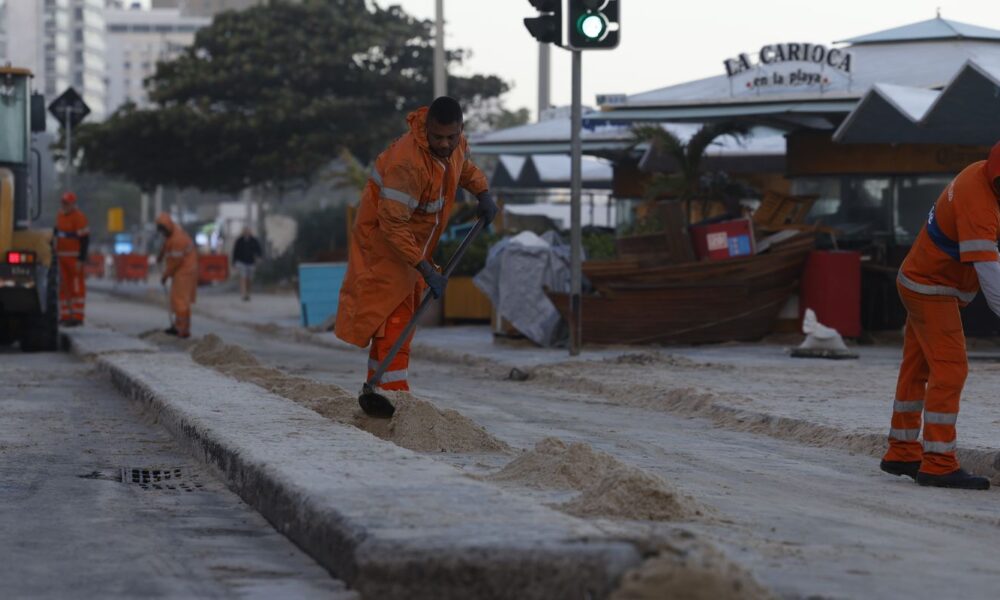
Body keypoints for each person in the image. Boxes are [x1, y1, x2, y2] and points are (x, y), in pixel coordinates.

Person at [335, 97, 497, 393]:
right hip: (384, 243)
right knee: (393, 316)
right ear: (426, 130)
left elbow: (463, 169)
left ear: (460, 129)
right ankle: (393, 394)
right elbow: (393, 225)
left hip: (413, 245)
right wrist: (424, 267)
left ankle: (377, 386)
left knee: (400, 315)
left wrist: (483, 193)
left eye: (452, 136)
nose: (446, 144)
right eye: (438, 137)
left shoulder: (455, 146)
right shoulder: (406, 164)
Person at [881, 141, 1000, 490]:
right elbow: (990, 276)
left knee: (916, 367)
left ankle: (901, 451)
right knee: (951, 368)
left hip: (919, 279)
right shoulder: (979, 204)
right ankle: (938, 462)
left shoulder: (981, 173)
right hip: (931, 288)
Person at [156, 212, 197, 338]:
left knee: (180, 301)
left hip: (185, 271)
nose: (162, 234)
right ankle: (179, 326)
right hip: (183, 270)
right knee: (177, 299)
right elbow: (167, 246)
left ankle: (182, 329)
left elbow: (174, 262)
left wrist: (165, 275)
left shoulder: (177, 239)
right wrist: (161, 255)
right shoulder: (173, 233)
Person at [54, 191, 89, 326]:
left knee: (76, 287)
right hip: (62, 258)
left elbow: (85, 240)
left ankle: (78, 316)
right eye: (63, 203)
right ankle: (66, 315)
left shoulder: (79, 218)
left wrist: (81, 259)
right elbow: (57, 234)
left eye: (67, 203)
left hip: (74, 259)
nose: (65, 205)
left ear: (73, 204)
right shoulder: (60, 216)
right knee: (63, 288)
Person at [232, 227, 262, 301]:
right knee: (243, 278)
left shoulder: (254, 240)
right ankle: (243, 293)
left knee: (249, 279)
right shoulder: (239, 241)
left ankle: (248, 292)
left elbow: (258, 250)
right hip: (241, 262)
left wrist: (259, 257)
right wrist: (234, 262)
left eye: (248, 231)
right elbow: (235, 252)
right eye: (245, 231)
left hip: (251, 262)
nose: (246, 232)